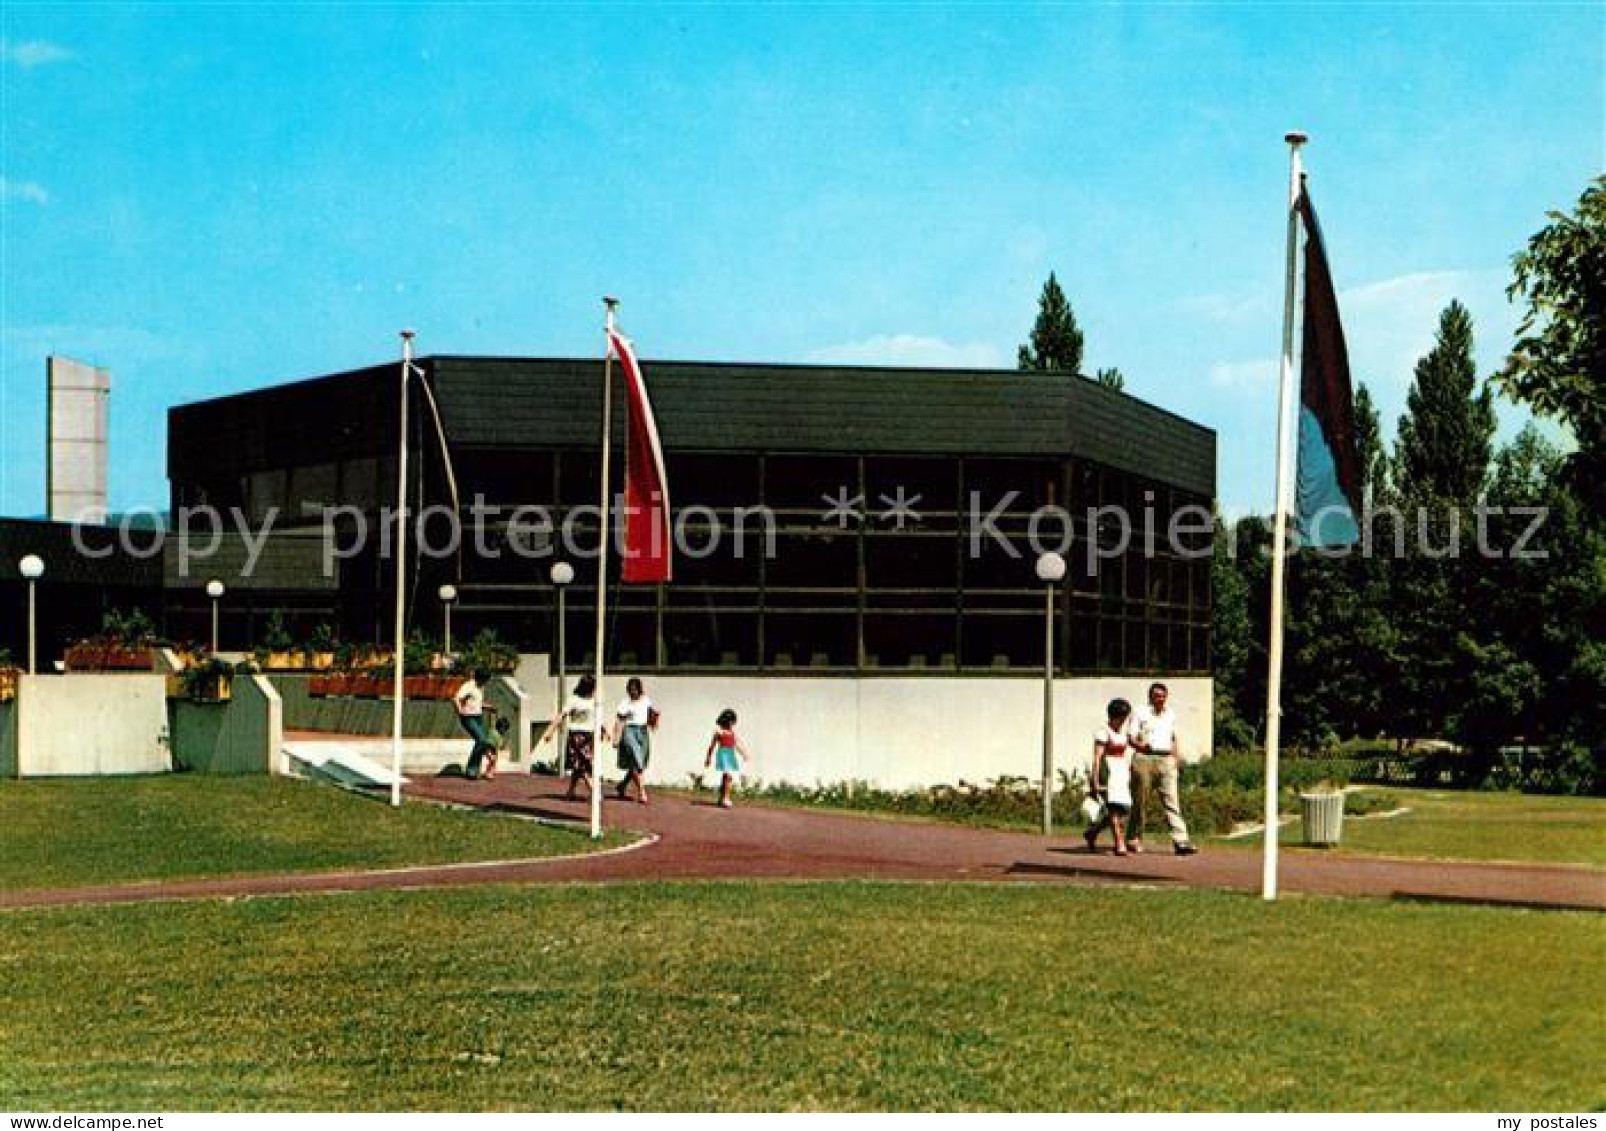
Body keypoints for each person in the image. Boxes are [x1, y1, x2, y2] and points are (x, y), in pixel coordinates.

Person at [1128, 682, 1198, 855]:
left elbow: (1173, 737)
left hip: (1166, 759)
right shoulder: (1140, 712)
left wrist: (1176, 757)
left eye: (1163, 696)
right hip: (1144, 758)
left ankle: (1181, 841)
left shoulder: (1171, 714)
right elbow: (1130, 737)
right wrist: (1141, 746)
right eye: (1156, 695)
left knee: (1172, 801)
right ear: (1150, 697)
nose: (1160, 699)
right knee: (1140, 801)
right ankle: (1134, 838)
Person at [1084, 698, 1135, 855]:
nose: (1123, 721)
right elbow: (1097, 756)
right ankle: (1119, 843)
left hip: (1121, 770)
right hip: (1109, 770)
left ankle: (1093, 832)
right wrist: (1095, 779)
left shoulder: (1123, 733)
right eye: (1121, 717)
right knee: (1113, 808)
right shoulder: (1103, 731)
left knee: (1123, 809)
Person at [539, 674, 598, 801]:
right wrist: (550, 731)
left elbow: (597, 718)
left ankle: (570, 791)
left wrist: (603, 731)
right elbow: (562, 715)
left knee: (581, 764)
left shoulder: (594, 701)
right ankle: (593, 790)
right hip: (576, 735)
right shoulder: (573, 700)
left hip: (589, 735)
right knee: (582, 763)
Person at [612, 677, 657, 805]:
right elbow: (620, 720)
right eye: (631, 689)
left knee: (639, 763)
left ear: (639, 689)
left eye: (635, 689)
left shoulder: (646, 700)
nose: (633, 692)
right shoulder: (625, 703)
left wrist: (654, 720)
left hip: (642, 731)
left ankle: (622, 785)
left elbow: (650, 715)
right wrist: (616, 737)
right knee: (636, 761)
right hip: (629, 731)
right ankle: (642, 792)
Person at [454, 667, 498, 781]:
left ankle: (476, 770)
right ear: (479, 678)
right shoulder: (469, 685)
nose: (485, 683)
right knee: (481, 739)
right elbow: (456, 698)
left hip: (478, 716)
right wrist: (460, 711)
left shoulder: (480, 688)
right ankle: (471, 770)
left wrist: (489, 707)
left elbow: (476, 703)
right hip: (468, 717)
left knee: (482, 742)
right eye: (484, 680)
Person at [704, 708, 748, 809]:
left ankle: (721, 797)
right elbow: (712, 746)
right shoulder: (719, 732)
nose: (732, 724)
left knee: (726, 777)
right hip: (723, 754)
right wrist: (708, 758)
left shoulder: (732, 733)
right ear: (726, 720)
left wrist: (743, 754)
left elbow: (736, 744)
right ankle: (726, 799)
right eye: (731, 721)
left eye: (733, 722)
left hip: (730, 755)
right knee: (728, 776)